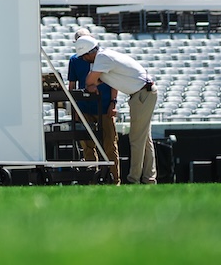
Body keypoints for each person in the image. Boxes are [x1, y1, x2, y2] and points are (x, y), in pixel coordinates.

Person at [74, 35, 158, 184]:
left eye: (83, 57)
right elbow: (95, 81)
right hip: (143, 93)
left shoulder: (102, 58)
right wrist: (94, 83)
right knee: (145, 140)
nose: (84, 60)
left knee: (136, 138)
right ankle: (149, 178)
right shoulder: (105, 56)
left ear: (88, 54)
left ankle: (134, 179)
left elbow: (90, 81)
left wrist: (92, 84)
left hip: (141, 94)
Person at [66, 28, 120, 185]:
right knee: (87, 146)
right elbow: (72, 86)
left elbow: (114, 82)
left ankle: (114, 180)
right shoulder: (74, 60)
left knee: (110, 145)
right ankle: (92, 179)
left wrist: (113, 103)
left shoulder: (103, 57)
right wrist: (74, 109)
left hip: (104, 107)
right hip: (84, 108)